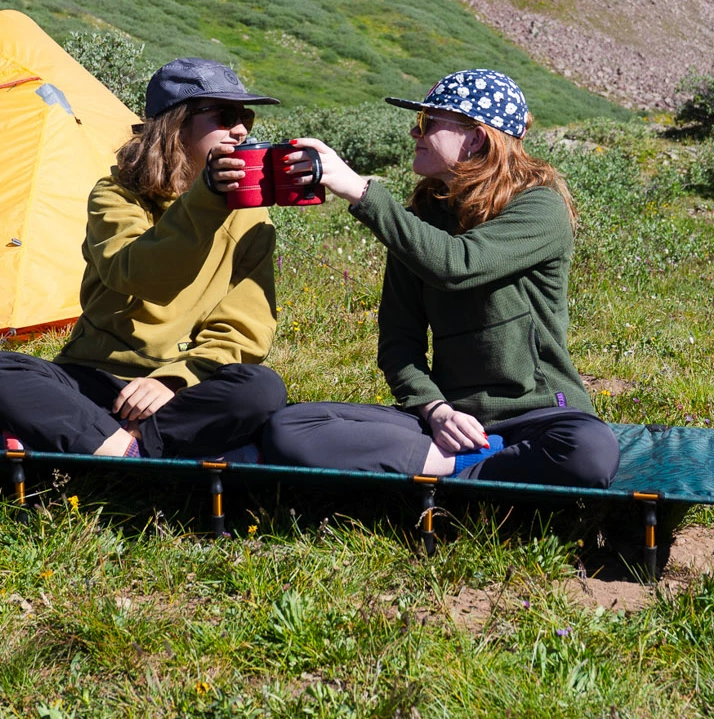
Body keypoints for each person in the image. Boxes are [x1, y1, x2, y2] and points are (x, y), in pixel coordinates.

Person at [262, 69, 619, 488]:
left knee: (588, 451)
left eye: (428, 123)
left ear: (476, 139)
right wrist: (436, 410)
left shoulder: (539, 208)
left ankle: (452, 469)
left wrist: (360, 190)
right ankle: (471, 467)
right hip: (450, 423)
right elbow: (399, 340)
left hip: (542, 414)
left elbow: (457, 265)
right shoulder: (421, 224)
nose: (415, 134)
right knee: (291, 427)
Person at [0, 58, 288, 458]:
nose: (240, 128)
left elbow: (242, 329)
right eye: (224, 115)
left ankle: (114, 445)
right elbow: (138, 275)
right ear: (176, 125)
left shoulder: (250, 212)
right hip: (95, 376)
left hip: (180, 389)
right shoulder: (115, 195)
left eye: (245, 116)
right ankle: (139, 447)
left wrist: (174, 380)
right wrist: (208, 201)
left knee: (262, 389)